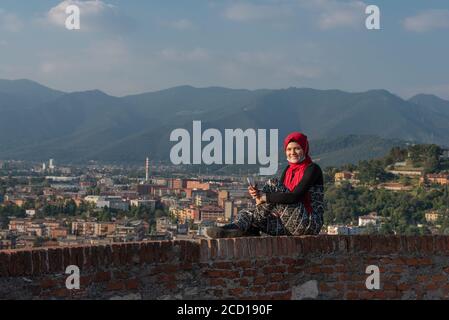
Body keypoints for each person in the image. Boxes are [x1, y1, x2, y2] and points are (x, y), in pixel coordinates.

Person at [205, 132, 325, 238]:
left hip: (309, 223)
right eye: (289, 149)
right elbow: (279, 198)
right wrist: (259, 196)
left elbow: (294, 197)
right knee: (246, 213)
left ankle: (244, 227)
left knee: (273, 183)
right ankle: (233, 229)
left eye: (297, 148)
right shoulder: (288, 170)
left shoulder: (313, 169)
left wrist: (263, 197)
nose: (292, 152)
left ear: (304, 148)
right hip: (288, 225)